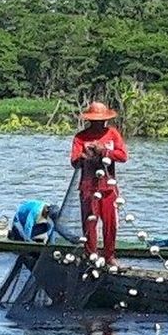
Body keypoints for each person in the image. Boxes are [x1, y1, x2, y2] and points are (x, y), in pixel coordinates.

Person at [69, 101, 129, 263]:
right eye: (95, 121)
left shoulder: (112, 134)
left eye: (101, 120)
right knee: (90, 223)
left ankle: (109, 256)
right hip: (88, 187)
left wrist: (104, 151)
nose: (98, 123)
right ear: (90, 120)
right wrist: (84, 156)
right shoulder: (80, 137)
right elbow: (74, 161)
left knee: (111, 224)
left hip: (108, 187)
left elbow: (123, 156)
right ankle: (91, 255)